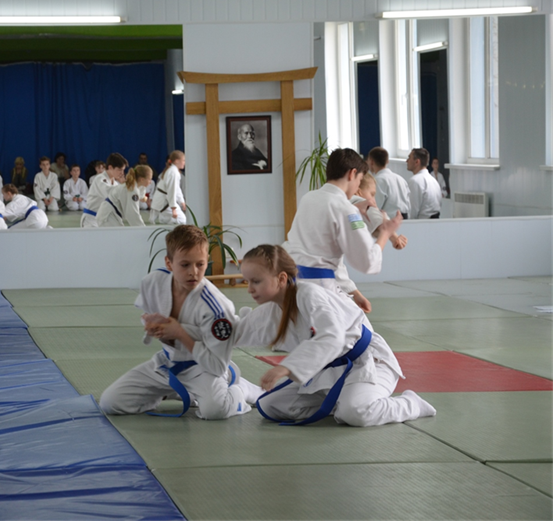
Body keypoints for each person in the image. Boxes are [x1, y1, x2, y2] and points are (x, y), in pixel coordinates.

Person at [237, 244, 436, 427]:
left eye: (256, 281)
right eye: (247, 281)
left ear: (281, 279)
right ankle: (342, 402)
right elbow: (238, 331)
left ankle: (411, 404)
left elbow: (332, 337)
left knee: (356, 413)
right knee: (270, 405)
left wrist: (286, 367)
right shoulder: (271, 310)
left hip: (367, 363)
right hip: (327, 373)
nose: (249, 289)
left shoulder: (308, 294)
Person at [99, 225, 262, 420]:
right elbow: (149, 314)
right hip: (167, 364)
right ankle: (186, 393)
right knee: (111, 402)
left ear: (207, 261)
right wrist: (152, 325)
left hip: (204, 368)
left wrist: (180, 333)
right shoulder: (153, 282)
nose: (194, 272)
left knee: (214, 410)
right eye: (185, 265)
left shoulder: (216, 308)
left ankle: (241, 388)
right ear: (169, 263)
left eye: (200, 264)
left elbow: (216, 366)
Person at [282, 148, 402, 313]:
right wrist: (385, 233)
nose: (358, 186)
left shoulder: (308, 198)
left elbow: (324, 253)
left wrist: (353, 292)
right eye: (360, 180)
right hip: (321, 291)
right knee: (359, 328)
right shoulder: (346, 209)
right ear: (352, 174)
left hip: (292, 286)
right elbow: (368, 262)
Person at [81, 153, 126, 228]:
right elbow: (109, 193)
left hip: (105, 219)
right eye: (119, 170)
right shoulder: (100, 178)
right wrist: (123, 186)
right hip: (91, 219)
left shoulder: (116, 184)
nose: (122, 173)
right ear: (110, 167)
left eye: (123, 170)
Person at [368, 147, 410, 220]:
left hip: (388, 222)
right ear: (387, 161)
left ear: (371, 161)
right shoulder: (401, 179)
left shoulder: (378, 180)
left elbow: (375, 208)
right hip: (405, 221)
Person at [149, 150, 187, 225]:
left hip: (162, 201)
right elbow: (172, 191)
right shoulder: (173, 172)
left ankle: (163, 218)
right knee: (182, 220)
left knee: (175, 221)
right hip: (164, 202)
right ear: (176, 161)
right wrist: (173, 209)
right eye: (183, 160)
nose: (184, 163)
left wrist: (182, 201)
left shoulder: (173, 171)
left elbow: (177, 189)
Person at [407, 147, 442, 219]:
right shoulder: (434, 181)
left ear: (417, 162)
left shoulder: (415, 181)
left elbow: (411, 213)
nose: (406, 161)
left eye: (409, 158)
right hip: (434, 223)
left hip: (420, 224)